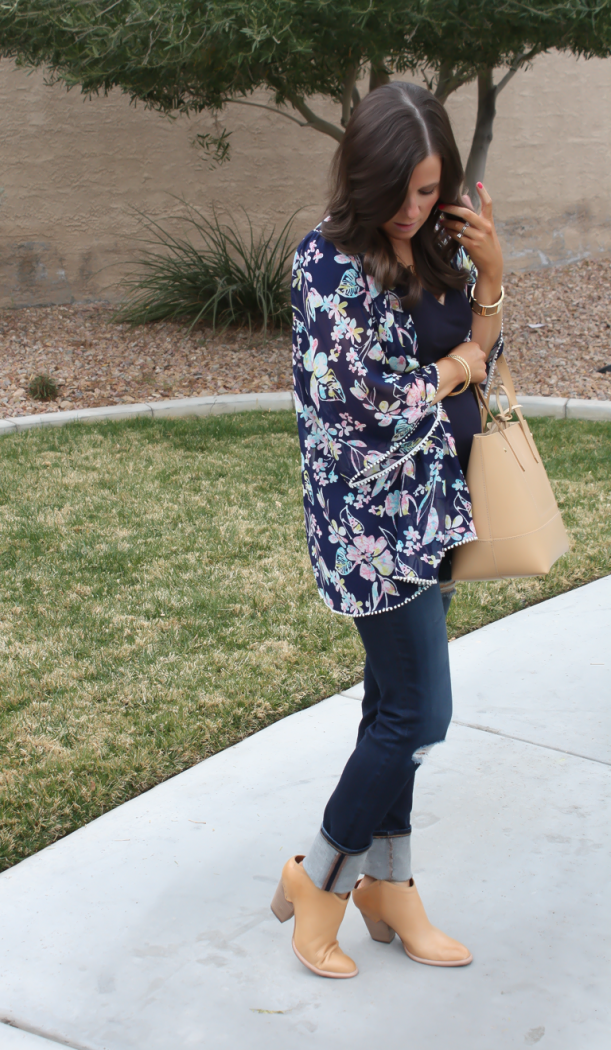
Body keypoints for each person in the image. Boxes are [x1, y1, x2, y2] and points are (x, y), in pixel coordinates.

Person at [271, 81, 505, 978]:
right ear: (362, 176)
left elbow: (482, 368)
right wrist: (453, 364)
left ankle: (390, 887)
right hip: (369, 523)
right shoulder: (326, 263)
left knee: (390, 711)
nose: (412, 211)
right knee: (418, 711)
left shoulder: (436, 248)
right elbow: (369, 409)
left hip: (434, 510)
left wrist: (488, 281)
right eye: (398, 192)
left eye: (427, 190)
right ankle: (319, 879)